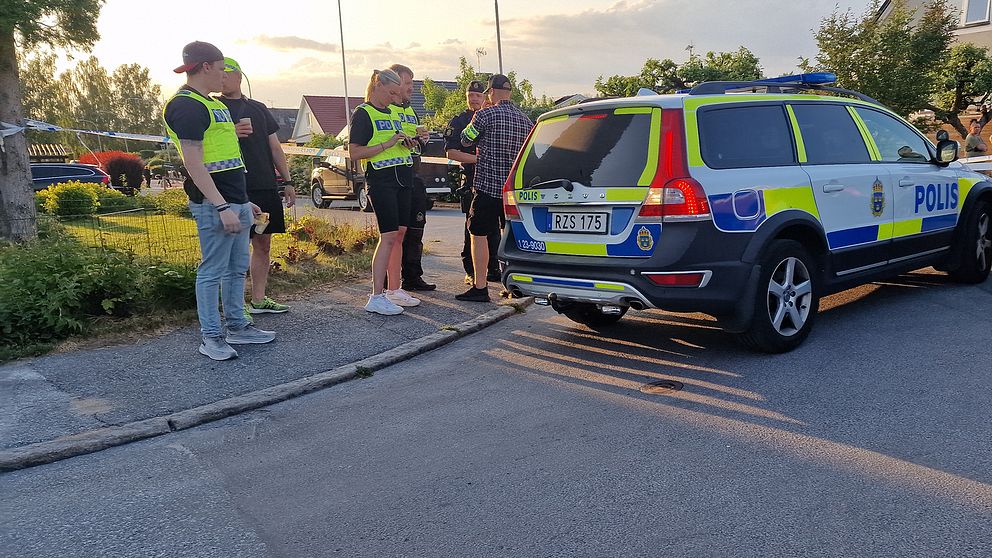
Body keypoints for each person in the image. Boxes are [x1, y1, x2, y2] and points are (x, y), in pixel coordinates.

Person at [163, 41, 275, 360]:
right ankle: (211, 337)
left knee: (237, 267)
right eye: (222, 65)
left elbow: (228, 157)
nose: (226, 73)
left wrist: (242, 201)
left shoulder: (214, 104)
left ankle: (238, 327)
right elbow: (194, 163)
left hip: (236, 200)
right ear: (207, 66)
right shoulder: (185, 105)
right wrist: (222, 206)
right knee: (213, 269)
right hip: (215, 204)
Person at [217, 57, 296, 320]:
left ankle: (258, 300)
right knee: (234, 248)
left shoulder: (259, 109)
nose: (222, 78)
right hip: (234, 189)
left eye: (226, 73)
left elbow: (275, 147)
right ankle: (235, 308)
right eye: (219, 73)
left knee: (262, 243)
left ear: (238, 76)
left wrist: (287, 181)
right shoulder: (213, 107)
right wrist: (230, 131)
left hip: (264, 188)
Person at [349, 69, 421, 315]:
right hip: (382, 180)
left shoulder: (392, 112)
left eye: (396, 93)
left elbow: (396, 140)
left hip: (403, 177)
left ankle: (394, 289)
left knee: (400, 233)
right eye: (391, 92)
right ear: (377, 86)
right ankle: (376, 295)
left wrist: (408, 142)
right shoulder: (363, 113)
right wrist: (387, 144)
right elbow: (355, 153)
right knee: (387, 236)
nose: (394, 98)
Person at [457, 74, 534, 302]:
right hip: (512, 192)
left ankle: (480, 287)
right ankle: (511, 287)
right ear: (510, 92)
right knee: (508, 236)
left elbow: (465, 139)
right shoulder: (525, 120)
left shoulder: (485, 114)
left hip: (487, 187)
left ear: (490, 92)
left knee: (478, 233)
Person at [445, 80, 501, 286]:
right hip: (472, 178)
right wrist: (481, 159)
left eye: (478, 96)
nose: (474, 99)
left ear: (485, 97)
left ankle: (493, 268)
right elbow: (452, 152)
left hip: (494, 177)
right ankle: (472, 271)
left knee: (494, 228)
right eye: (471, 96)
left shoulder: (492, 116)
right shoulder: (460, 121)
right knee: (473, 229)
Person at [388, 63, 435, 292]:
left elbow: (418, 146)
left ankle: (413, 276)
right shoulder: (387, 110)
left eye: (412, 84)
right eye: (408, 83)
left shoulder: (410, 110)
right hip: (394, 177)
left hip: (414, 174)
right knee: (394, 232)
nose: (411, 88)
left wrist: (423, 140)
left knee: (416, 227)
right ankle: (389, 281)